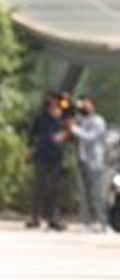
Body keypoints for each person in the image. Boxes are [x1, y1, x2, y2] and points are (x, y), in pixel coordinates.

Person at [27, 92, 69, 231]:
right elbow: (32, 134)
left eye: (55, 99)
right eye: (50, 99)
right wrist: (30, 150)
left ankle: (53, 218)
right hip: (41, 155)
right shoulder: (41, 117)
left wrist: (64, 135)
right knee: (38, 187)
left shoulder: (63, 116)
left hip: (56, 157)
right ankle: (34, 216)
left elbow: (69, 130)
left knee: (55, 189)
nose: (52, 102)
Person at [71, 95, 110, 233]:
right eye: (83, 104)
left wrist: (73, 128)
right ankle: (85, 223)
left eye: (87, 104)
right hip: (81, 161)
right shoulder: (79, 121)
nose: (84, 107)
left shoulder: (98, 121)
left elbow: (90, 137)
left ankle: (105, 224)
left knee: (99, 195)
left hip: (95, 162)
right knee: (84, 195)